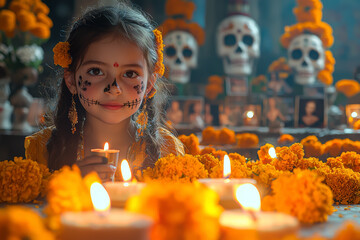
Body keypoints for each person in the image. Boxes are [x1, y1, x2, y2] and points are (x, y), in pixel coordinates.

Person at [24, 3, 184, 182]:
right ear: (71, 80)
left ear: (149, 85)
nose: (113, 88)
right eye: (96, 71)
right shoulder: (43, 149)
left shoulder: (168, 151)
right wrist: (69, 183)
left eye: (130, 74)